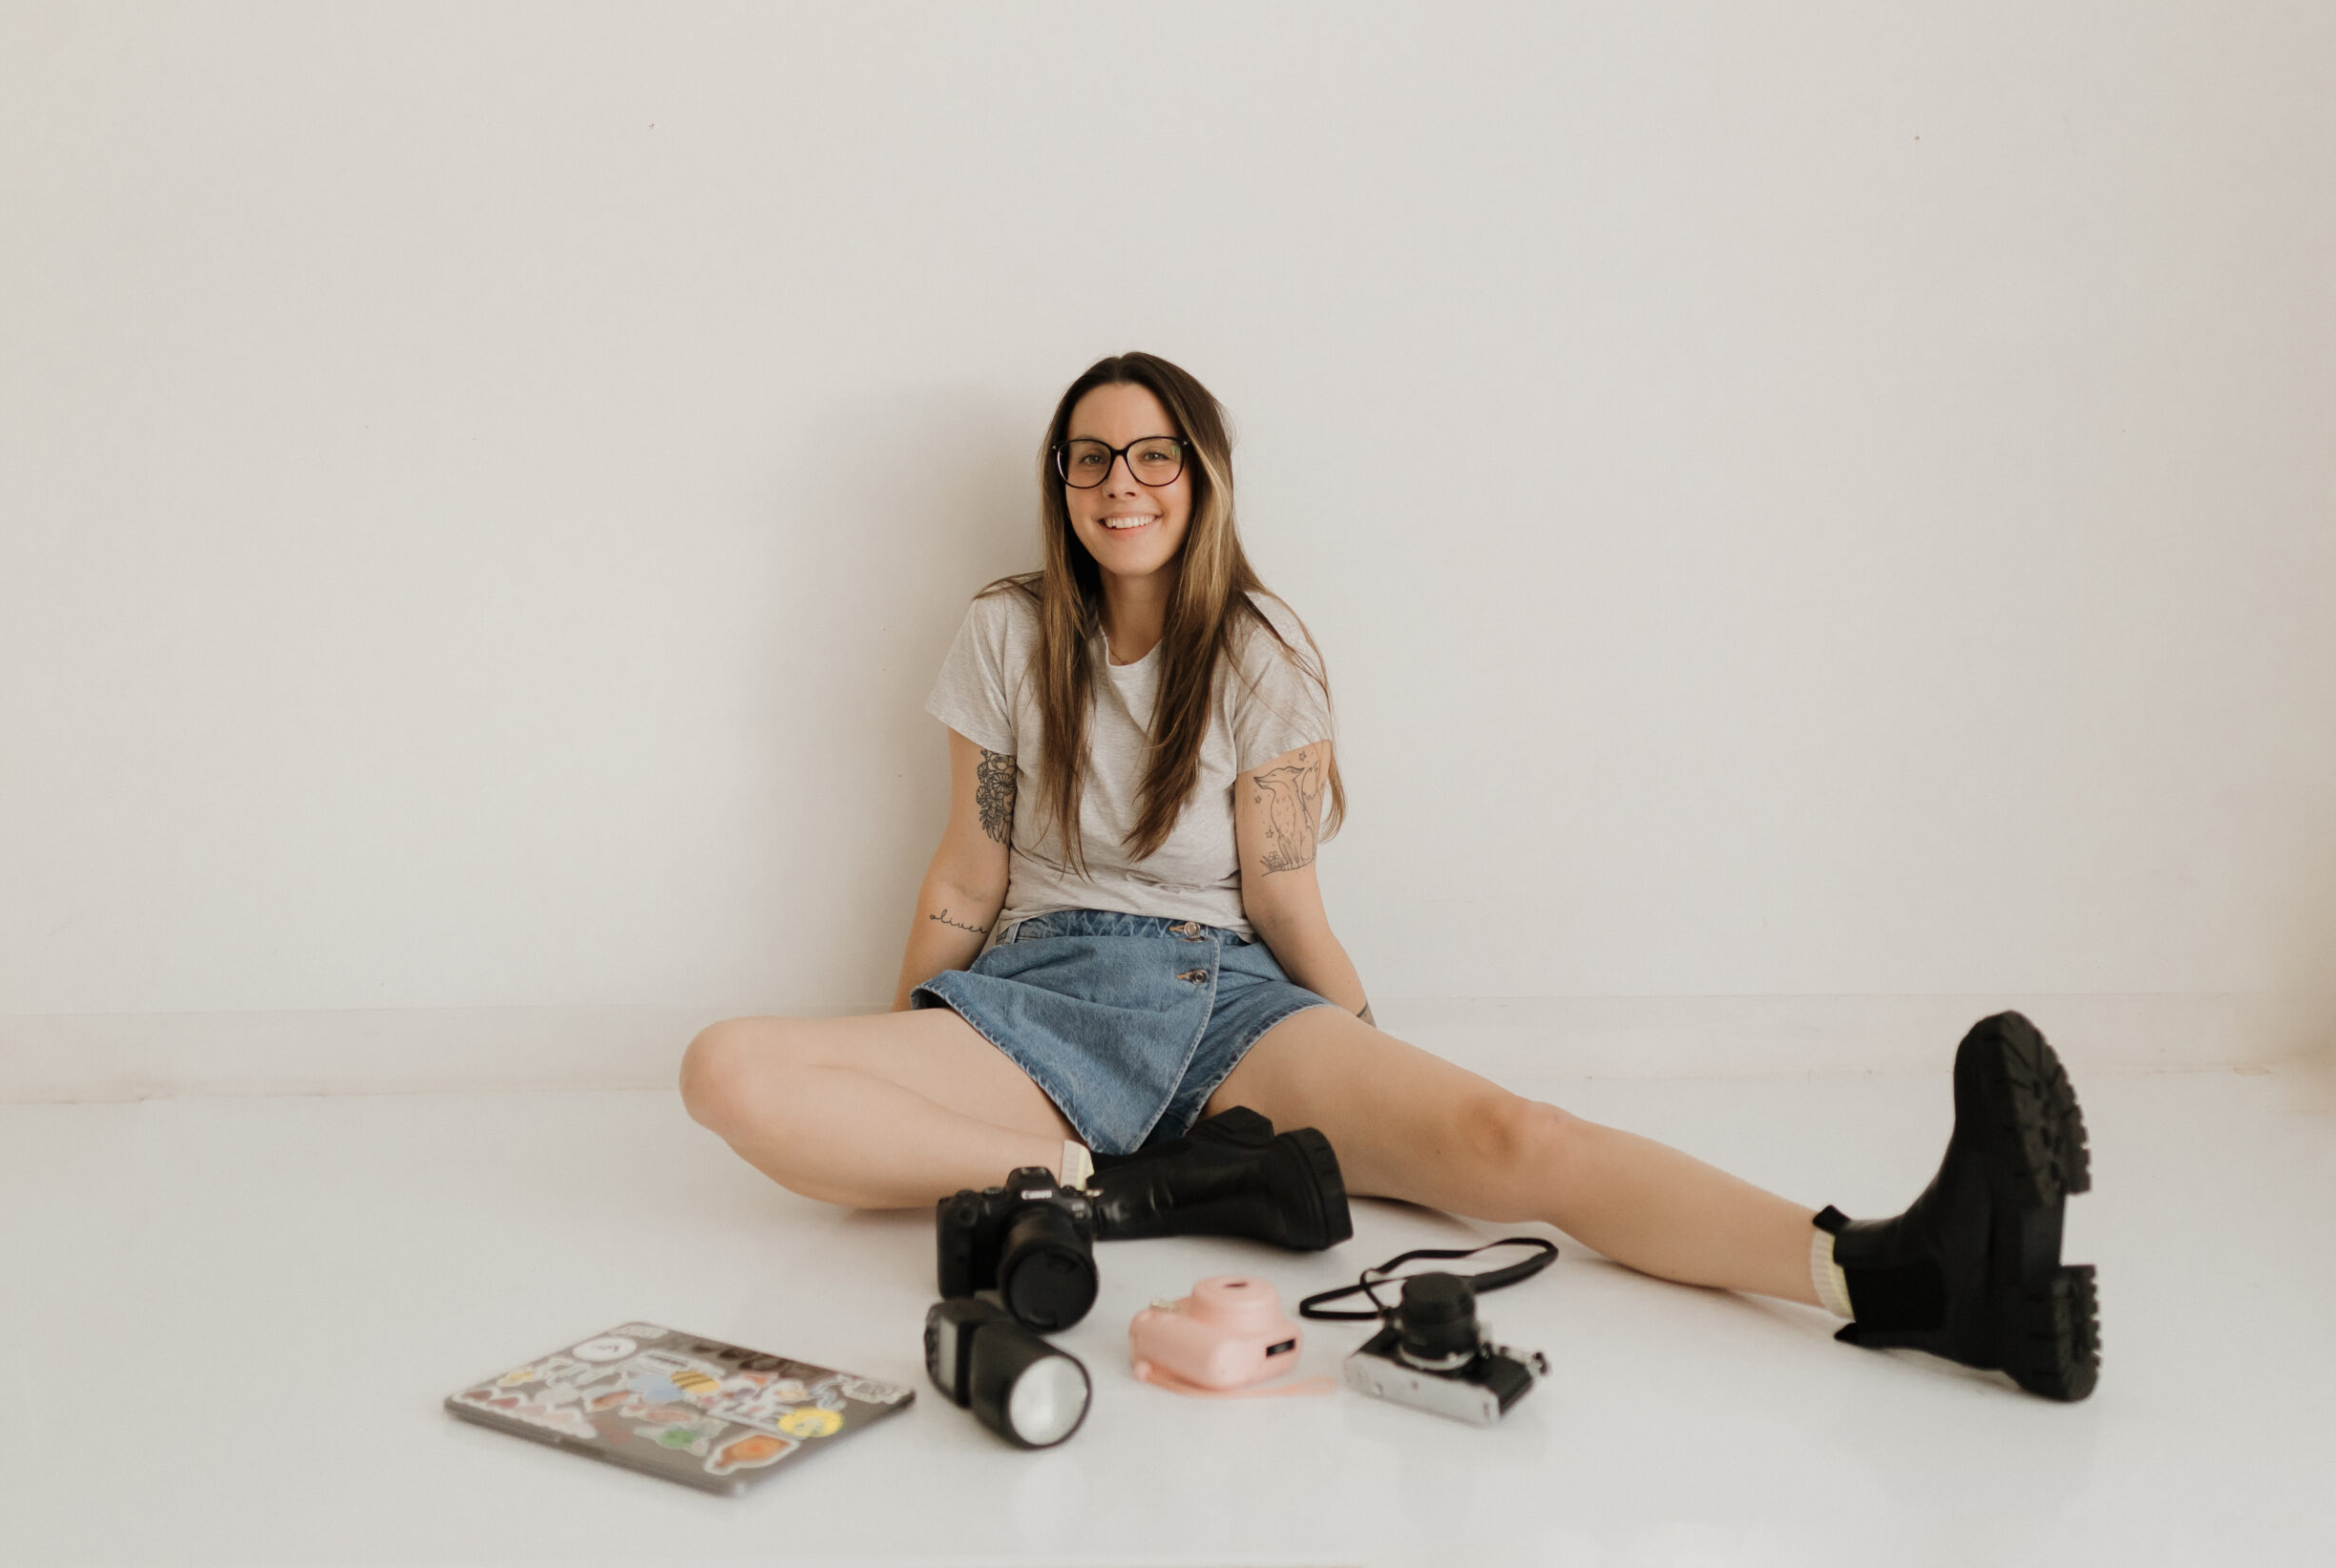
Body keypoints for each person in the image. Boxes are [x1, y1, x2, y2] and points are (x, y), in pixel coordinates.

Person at [681, 353, 2100, 1401]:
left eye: (1154, 453)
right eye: (1092, 458)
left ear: (1204, 473)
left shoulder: (1258, 659)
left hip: (1227, 1006)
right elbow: (967, 865)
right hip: (1038, 1008)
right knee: (727, 1068)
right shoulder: (1004, 636)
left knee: (1515, 1136)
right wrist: (907, 1045)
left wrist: (1370, 1065)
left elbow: (1288, 903)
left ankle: (1893, 1272)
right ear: (1061, 486)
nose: (1122, 482)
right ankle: (1099, 1184)